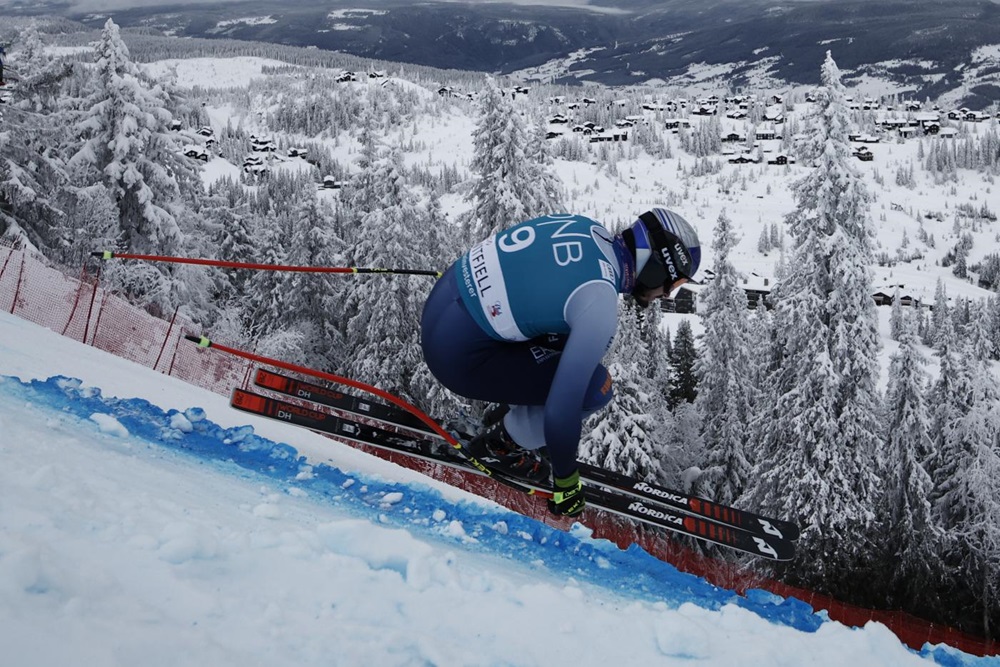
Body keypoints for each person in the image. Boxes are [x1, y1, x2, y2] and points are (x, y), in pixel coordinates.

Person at [420, 208, 701, 518]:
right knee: (594, 389)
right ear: (657, 267)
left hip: (442, 303)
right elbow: (561, 409)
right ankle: (500, 447)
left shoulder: (587, 228)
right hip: (455, 358)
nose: (667, 295)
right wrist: (566, 482)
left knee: (564, 340)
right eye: (673, 284)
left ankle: (510, 416)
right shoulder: (599, 302)